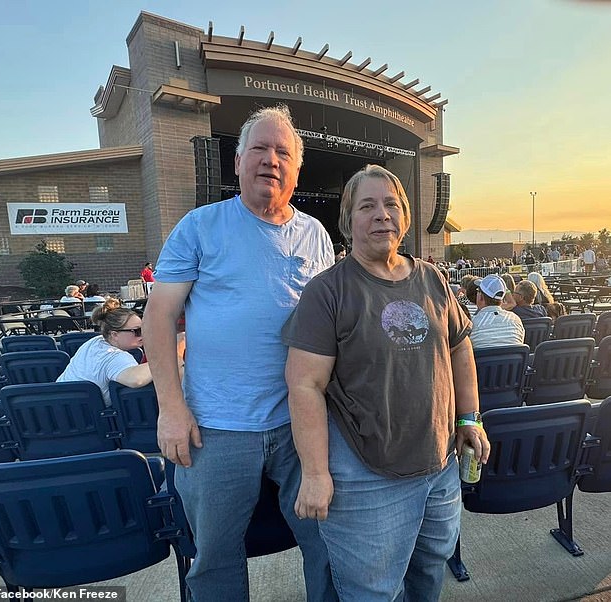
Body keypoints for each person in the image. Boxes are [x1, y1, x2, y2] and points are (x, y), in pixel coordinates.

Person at [142, 105, 337, 602]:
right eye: (259, 148)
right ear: (237, 161)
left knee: (329, 543)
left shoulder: (315, 235)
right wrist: (171, 408)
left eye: (282, 152)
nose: (270, 159)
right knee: (216, 560)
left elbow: (329, 327)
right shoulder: (198, 227)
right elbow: (158, 317)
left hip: (300, 426)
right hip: (216, 429)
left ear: (296, 168)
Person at [281, 164, 489, 602]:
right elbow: (304, 386)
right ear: (348, 221)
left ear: (406, 216)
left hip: (439, 468)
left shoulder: (432, 279)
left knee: (429, 576)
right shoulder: (328, 292)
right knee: (373, 593)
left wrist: (470, 418)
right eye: (367, 206)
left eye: (391, 204)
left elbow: (459, 347)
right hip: (365, 478)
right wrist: (316, 473)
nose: (382, 215)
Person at [57, 300, 183, 407]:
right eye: (136, 331)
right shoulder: (115, 357)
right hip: (83, 417)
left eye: (143, 328)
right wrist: (171, 354)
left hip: (61, 409)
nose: (143, 334)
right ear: (114, 334)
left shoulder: (94, 342)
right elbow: (137, 380)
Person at [469, 274, 525, 349]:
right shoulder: (516, 320)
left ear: (481, 296)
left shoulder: (471, 325)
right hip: (513, 360)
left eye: (478, 291)